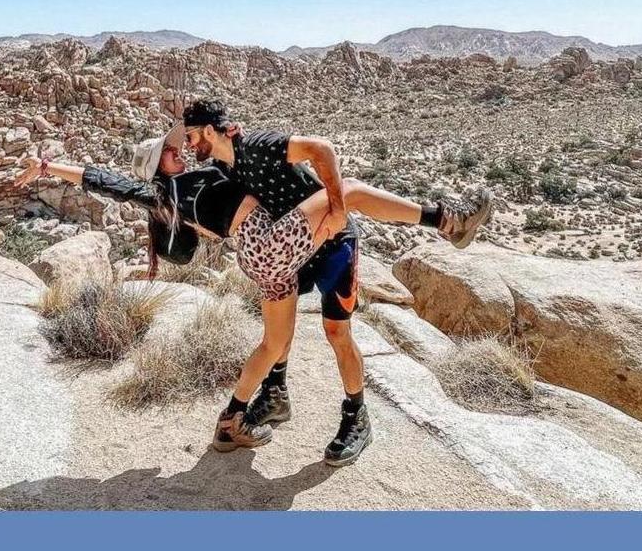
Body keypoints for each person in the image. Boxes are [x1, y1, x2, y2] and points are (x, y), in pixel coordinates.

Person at [15, 114, 492, 467]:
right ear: (156, 168)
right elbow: (107, 182)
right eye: (170, 150)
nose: (180, 149)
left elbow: (103, 180)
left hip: (262, 258)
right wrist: (54, 168)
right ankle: (447, 220)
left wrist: (48, 165)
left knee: (278, 342)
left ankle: (235, 419)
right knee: (357, 193)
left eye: (180, 144)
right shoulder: (165, 193)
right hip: (273, 245)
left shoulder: (199, 177)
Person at [180, 97, 491, 467]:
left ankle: (356, 417)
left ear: (211, 131)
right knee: (281, 330)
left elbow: (322, 150)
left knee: (337, 333)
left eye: (192, 135)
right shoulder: (224, 168)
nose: (188, 144)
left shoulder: (258, 145)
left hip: (334, 242)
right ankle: (276, 393)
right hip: (296, 247)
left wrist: (339, 210)